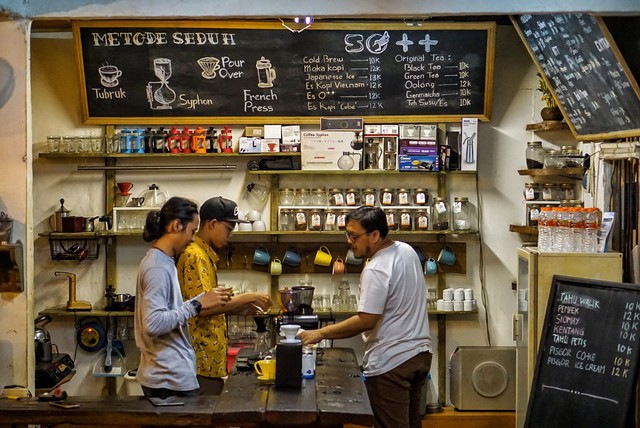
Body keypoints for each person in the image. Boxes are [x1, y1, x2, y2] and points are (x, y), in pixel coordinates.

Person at [300, 206, 432, 428]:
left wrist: (319, 333)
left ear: (375, 235)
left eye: (354, 236)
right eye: (347, 234)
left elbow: (366, 320)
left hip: (392, 362)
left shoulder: (376, 268)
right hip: (419, 355)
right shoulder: (406, 251)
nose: (349, 241)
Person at [135, 196, 232, 399]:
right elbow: (153, 324)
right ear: (176, 225)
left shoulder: (164, 261)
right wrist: (197, 304)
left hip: (170, 376)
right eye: (192, 231)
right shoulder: (157, 266)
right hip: (167, 379)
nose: (193, 238)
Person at [177, 196, 272, 395]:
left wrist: (240, 307)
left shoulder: (205, 255)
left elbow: (212, 304)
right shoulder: (195, 255)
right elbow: (203, 307)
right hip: (199, 362)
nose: (231, 234)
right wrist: (249, 297)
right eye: (229, 229)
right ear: (212, 224)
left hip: (208, 362)